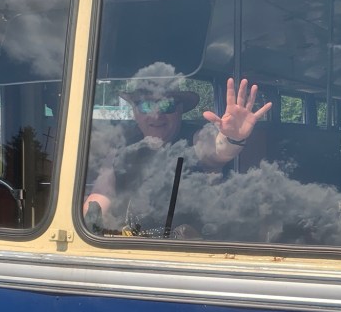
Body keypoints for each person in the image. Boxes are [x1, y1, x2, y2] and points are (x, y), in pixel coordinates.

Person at [84, 63, 272, 233]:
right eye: (146, 105)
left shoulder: (194, 140)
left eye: (166, 105)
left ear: (180, 109)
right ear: (135, 111)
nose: (156, 115)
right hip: (131, 247)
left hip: (188, 250)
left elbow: (217, 150)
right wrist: (88, 228)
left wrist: (232, 138)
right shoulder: (122, 147)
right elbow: (101, 195)